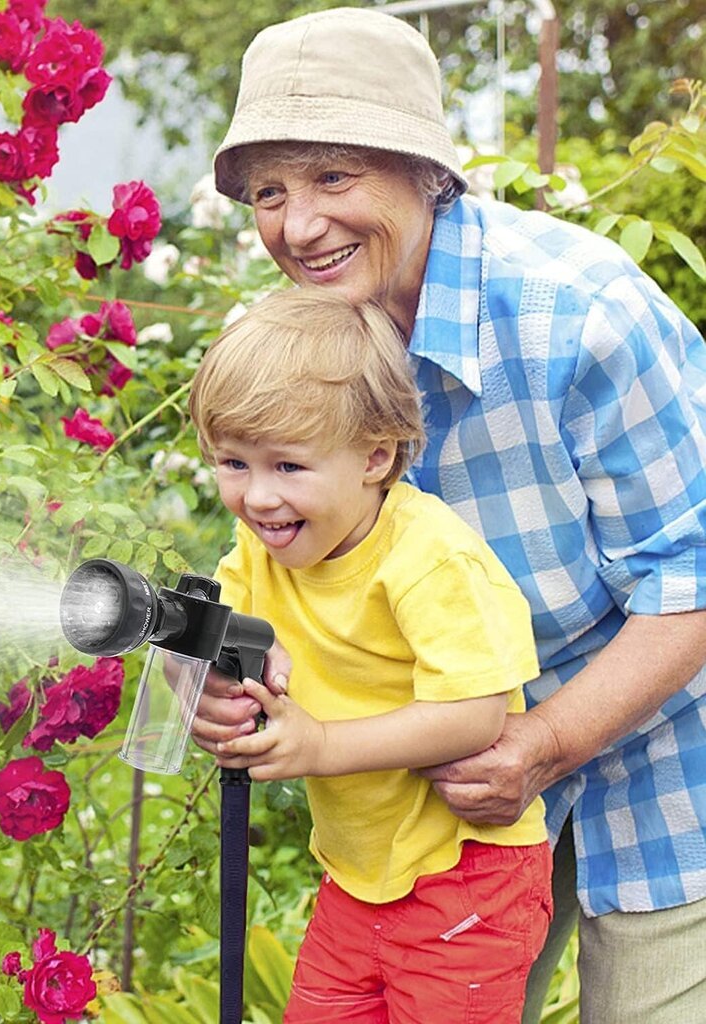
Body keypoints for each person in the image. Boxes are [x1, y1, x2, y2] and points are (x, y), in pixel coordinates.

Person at [190, 8, 706, 1024]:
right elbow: (267, 557)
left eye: (335, 178)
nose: (298, 227)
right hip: (441, 822)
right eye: (270, 192)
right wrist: (223, 677)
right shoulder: (301, 346)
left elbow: (692, 584)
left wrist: (541, 740)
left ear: (424, 172)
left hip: (664, 762)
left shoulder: (581, 316)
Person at [188, 286, 551, 1024]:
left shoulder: (429, 557)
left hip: (466, 881)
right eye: (233, 462)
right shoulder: (260, 551)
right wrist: (202, 692)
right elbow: (203, 636)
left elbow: (477, 716)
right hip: (355, 880)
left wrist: (320, 744)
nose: (257, 498)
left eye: (288, 466)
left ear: (375, 456)